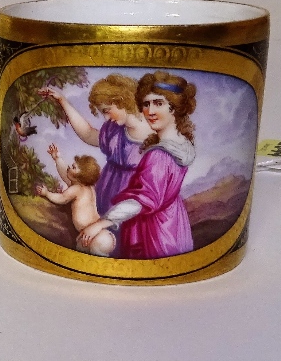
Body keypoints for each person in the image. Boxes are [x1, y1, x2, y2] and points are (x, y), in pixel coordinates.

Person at [78, 71, 197, 259]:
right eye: (146, 104)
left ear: (173, 108)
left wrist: (102, 223)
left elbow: (142, 200)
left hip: (154, 233)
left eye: (159, 104)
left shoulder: (158, 155)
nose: (150, 111)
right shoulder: (180, 142)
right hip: (172, 221)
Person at [39, 74, 154, 215]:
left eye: (107, 111)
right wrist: (63, 101)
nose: (106, 118)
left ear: (122, 101)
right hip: (107, 204)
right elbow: (87, 134)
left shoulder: (153, 133)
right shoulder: (114, 130)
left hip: (137, 208)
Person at [35, 143, 115, 257]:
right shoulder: (87, 187)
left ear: (81, 177)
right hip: (96, 234)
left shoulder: (77, 189)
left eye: (73, 167)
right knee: (80, 250)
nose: (69, 167)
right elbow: (65, 174)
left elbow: (62, 198)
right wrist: (57, 158)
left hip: (99, 237)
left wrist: (46, 193)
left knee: (96, 253)